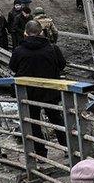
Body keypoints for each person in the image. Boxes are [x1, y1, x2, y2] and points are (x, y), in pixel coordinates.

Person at [9, 20, 68, 159]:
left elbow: (13, 67)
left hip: (28, 92)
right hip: (50, 91)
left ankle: (40, 152)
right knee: (56, 119)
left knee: (33, 122)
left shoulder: (19, 50)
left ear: (25, 33)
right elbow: (62, 64)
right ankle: (67, 148)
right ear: (41, 32)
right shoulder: (52, 48)